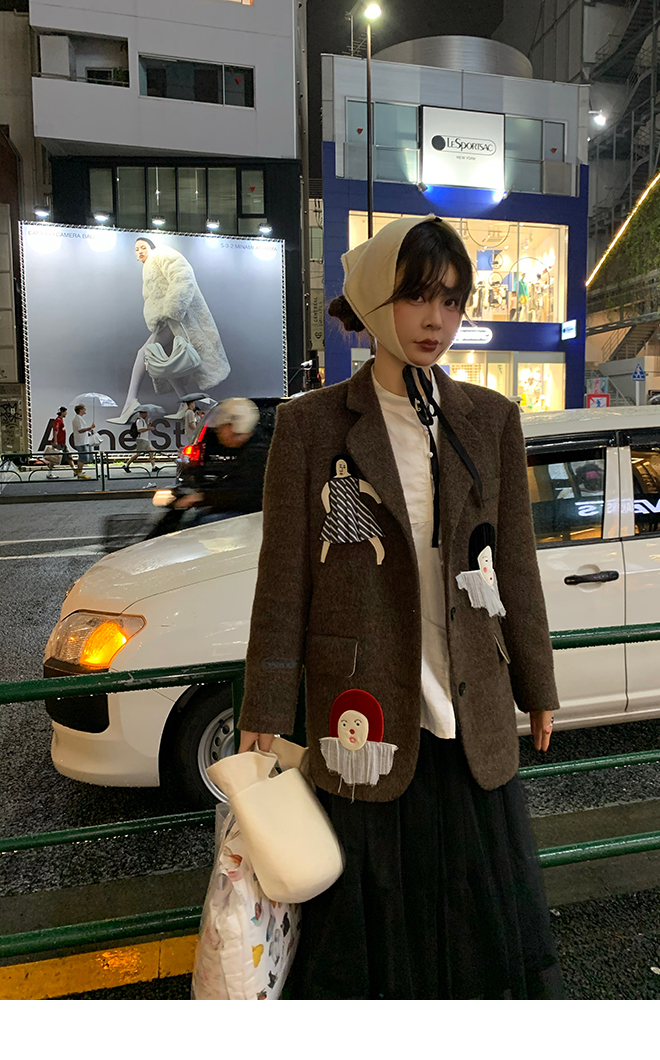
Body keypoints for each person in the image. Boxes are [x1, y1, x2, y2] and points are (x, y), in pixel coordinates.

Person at [237, 215, 564, 1000]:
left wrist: (538, 685)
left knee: (475, 925)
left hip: (468, 704)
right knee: (371, 918)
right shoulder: (311, 425)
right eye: (418, 297)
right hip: (363, 703)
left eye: (451, 301)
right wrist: (267, 703)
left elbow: (515, 565)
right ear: (377, 301)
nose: (436, 320)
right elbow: (283, 577)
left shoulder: (489, 419)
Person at [108, 238, 230, 424]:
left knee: (145, 353)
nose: (139, 251)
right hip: (168, 319)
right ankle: (187, 403)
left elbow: (183, 277)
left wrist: (172, 311)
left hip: (174, 318)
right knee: (164, 360)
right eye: (136, 249)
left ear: (152, 247)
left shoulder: (162, 254)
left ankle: (130, 403)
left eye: (143, 247)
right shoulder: (150, 264)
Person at [172, 398, 263, 523]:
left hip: (253, 517)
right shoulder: (245, 449)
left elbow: (242, 493)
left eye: (222, 427)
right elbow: (230, 484)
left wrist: (201, 498)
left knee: (204, 522)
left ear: (235, 426)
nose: (217, 432)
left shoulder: (256, 453)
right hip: (247, 513)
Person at [123, 408, 157, 474]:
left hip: (145, 439)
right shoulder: (139, 421)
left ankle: (154, 466)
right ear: (142, 413)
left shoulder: (143, 421)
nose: (146, 415)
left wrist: (149, 424)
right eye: (145, 413)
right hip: (141, 439)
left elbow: (145, 428)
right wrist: (149, 428)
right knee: (138, 453)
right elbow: (140, 430)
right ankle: (126, 465)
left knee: (151, 452)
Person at [45, 406, 75, 479]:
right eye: (65, 412)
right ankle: (49, 473)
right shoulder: (58, 420)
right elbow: (55, 430)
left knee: (68, 457)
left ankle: (75, 471)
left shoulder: (60, 420)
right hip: (59, 443)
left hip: (62, 443)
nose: (66, 413)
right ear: (62, 412)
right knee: (54, 458)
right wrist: (55, 441)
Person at [70, 403, 95, 481]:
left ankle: (79, 472)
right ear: (81, 410)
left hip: (82, 441)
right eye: (84, 409)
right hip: (81, 442)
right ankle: (80, 473)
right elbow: (80, 430)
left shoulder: (78, 418)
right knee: (82, 458)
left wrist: (89, 429)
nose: (85, 410)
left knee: (82, 458)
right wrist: (89, 427)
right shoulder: (78, 419)